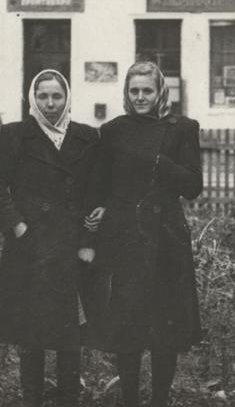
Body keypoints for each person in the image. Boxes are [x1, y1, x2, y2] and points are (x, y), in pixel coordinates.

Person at [85, 61, 203, 407]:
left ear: (160, 92)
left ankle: (160, 400)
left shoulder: (182, 128)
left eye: (146, 91)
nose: (140, 97)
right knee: (128, 326)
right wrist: (101, 210)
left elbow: (194, 186)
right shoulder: (113, 131)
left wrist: (161, 165)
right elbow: (100, 185)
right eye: (134, 91)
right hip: (126, 238)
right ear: (126, 92)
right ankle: (130, 400)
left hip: (166, 239)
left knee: (165, 329)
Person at [0, 70, 98, 407]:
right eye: (43, 96)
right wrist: (18, 227)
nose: (50, 104)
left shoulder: (87, 138)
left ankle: (68, 401)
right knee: (30, 335)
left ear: (67, 98)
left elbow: (96, 192)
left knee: (69, 335)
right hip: (29, 250)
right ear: (32, 99)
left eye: (56, 96)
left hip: (70, 249)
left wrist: (89, 238)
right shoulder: (15, 136)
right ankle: (31, 399)